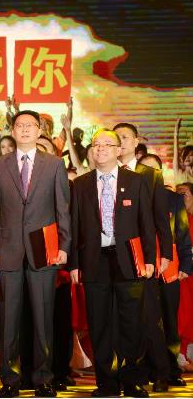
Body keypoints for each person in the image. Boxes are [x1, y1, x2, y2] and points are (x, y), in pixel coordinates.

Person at [0, 110, 71, 398]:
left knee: (43, 317)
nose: (24, 130)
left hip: (44, 249)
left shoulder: (54, 164)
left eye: (30, 126)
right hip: (8, 250)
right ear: (12, 130)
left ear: (39, 131)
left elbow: (62, 209)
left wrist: (64, 246)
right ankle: (10, 380)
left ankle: (43, 378)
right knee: (9, 319)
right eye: (19, 125)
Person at [67, 129, 155, 398]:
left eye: (107, 144)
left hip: (129, 258)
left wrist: (150, 260)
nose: (101, 149)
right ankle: (106, 382)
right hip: (95, 260)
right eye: (96, 145)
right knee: (100, 322)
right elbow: (75, 227)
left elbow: (146, 223)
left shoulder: (136, 181)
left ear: (119, 150)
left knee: (132, 322)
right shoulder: (81, 184)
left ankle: (132, 381)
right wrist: (74, 264)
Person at [114, 122, 173, 392]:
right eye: (117, 137)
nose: (121, 141)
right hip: (114, 254)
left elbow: (161, 219)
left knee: (149, 315)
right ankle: (126, 372)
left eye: (125, 137)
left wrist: (165, 254)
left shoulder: (150, 175)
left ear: (136, 142)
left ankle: (161, 372)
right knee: (120, 317)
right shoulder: (105, 173)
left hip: (143, 253)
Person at [140, 153, 192, 386]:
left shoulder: (173, 199)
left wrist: (186, 264)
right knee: (145, 320)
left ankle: (171, 369)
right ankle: (148, 369)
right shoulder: (132, 197)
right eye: (143, 170)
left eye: (153, 170)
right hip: (142, 268)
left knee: (170, 320)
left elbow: (182, 234)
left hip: (169, 269)